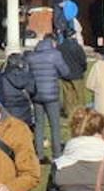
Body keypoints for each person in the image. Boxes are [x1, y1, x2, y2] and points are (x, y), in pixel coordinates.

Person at [26, 33, 71, 163]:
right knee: (55, 125)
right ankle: (57, 154)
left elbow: (28, 75)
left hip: (36, 94)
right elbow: (65, 72)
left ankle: (39, 154)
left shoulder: (31, 56)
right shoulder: (55, 55)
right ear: (52, 42)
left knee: (39, 125)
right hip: (51, 94)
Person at [0, 53, 37, 126]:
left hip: (7, 107)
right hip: (23, 108)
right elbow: (32, 90)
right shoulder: (26, 76)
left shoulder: (1, 76)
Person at [58, 32, 88, 119]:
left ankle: (68, 112)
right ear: (73, 36)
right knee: (80, 95)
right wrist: (83, 69)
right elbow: (83, 60)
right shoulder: (77, 47)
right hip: (77, 74)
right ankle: (81, 113)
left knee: (67, 95)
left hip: (65, 74)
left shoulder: (60, 47)